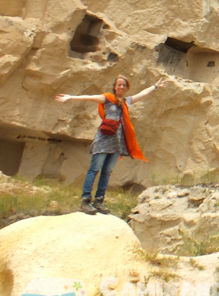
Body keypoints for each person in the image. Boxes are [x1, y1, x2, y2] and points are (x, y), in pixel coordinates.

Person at [55, 75, 168, 214]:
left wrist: (155, 86)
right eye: (119, 84)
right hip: (103, 139)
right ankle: (85, 201)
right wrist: (71, 97)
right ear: (115, 87)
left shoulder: (126, 102)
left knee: (107, 171)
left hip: (117, 143)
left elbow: (142, 94)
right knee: (94, 169)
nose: (121, 87)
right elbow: (90, 97)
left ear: (127, 88)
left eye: (124, 85)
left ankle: (99, 201)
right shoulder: (107, 98)